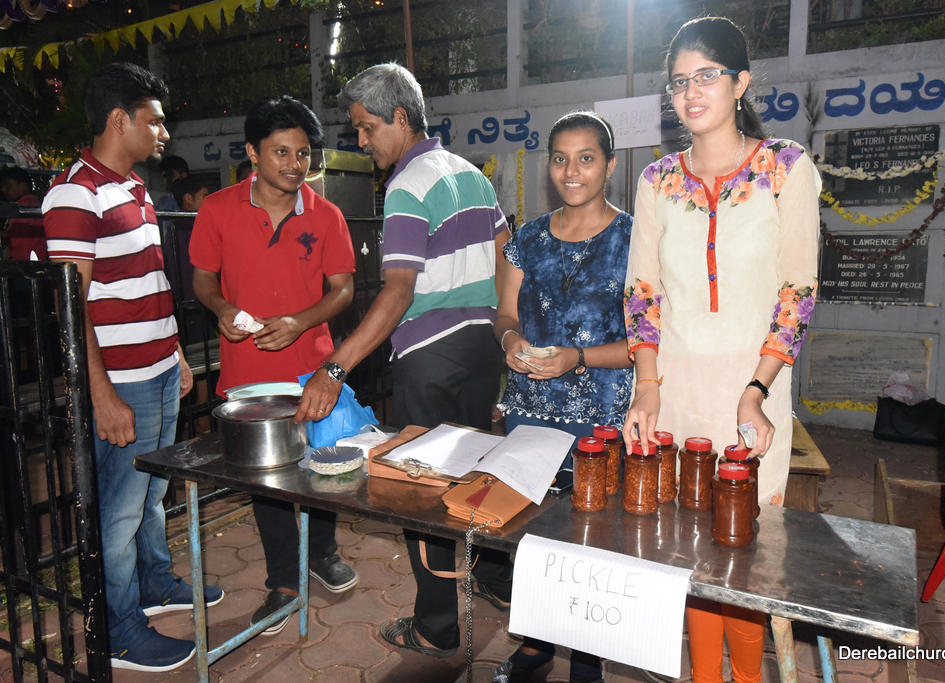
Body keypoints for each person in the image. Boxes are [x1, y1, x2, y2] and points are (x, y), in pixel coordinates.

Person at [623, 18, 821, 683]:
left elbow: (798, 291)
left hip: (752, 396)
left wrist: (758, 390)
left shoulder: (786, 167)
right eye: (679, 80)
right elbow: (642, 294)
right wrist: (646, 387)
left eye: (707, 75)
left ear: (740, 83)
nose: (691, 91)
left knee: (745, 545)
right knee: (689, 548)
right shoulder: (657, 180)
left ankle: (749, 674)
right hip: (673, 393)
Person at [295, 62, 512, 658]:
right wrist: (502, 329)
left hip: (430, 354)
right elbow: (504, 254)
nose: (362, 141)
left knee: (424, 491)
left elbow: (397, 291)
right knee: (476, 474)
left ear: (399, 117)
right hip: (482, 347)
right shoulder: (470, 174)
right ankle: (495, 580)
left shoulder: (407, 185)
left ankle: (437, 625)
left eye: (367, 128)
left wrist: (335, 367)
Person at [42, 62, 223, 673]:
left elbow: (150, 283)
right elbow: (70, 306)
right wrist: (101, 394)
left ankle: (153, 583)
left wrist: (176, 354)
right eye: (155, 120)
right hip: (122, 381)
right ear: (120, 119)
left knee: (150, 492)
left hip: (158, 369)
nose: (164, 132)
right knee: (118, 509)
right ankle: (117, 631)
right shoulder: (77, 192)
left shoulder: (135, 187)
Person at [190, 95, 359, 635]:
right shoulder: (217, 209)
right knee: (267, 481)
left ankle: (324, 551)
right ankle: (284, 580)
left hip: (312, 370)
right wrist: (221, 309)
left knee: (322, 465)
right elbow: (203, 278)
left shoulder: (327, 215)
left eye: (303, 153)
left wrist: (300, 321)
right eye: (281, 152)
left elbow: (343, 289)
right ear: (252, 152)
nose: (294, 164)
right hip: (248, 374)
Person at [492, 111, 632, 683]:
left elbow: (648, 343)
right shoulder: (526, 240)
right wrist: (510, 341)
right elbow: (504, 314)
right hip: (529, 412)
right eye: (560, 159)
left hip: (602, 417)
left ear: (610, 165)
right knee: (531, 535)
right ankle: (535, 646)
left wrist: (577, 357)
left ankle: (586, 660)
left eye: (586, 158)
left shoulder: (635, 240)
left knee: (592, 542)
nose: (571, 171)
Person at [1, 165, 46, 260]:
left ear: (23, 186)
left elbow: (12, 238)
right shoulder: (34, 203)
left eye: (8, 185)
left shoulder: (24, 206)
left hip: (24, 263)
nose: (3, 189)